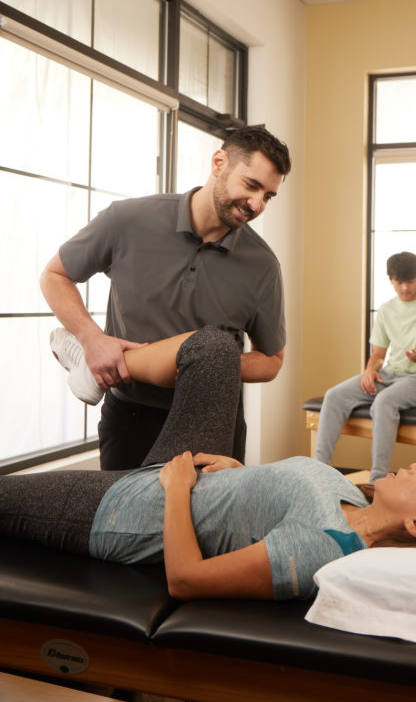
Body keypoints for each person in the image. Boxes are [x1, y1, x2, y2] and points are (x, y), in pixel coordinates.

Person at [0, 327, 416, 604]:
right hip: (196, 469)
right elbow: (270, 495)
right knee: (214, 348)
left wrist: (179, 491)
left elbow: (187, 580)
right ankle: (93, 364)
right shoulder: (356, 499)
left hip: (132, 511)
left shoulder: (325, 546)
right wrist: (233, 469)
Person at [40, 125, 291, 471]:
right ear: (219, 162)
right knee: (125, 523)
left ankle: (101, 363)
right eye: (251, 185)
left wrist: (202, 366)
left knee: (207, 525)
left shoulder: (262, 265)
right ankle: (92, 358)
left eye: (268, 196)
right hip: (132, 415)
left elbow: (272, 360)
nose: (257, 204)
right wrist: (92, 339)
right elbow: (55, 276)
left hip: (215, 418)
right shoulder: (127, 220)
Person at [314, 252, 416, 482]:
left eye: (409, 282)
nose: (404, 288)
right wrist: (370, 370)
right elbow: (379, 354)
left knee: (384, 403)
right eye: (398, 282)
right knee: (333, 396)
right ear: (390, 279)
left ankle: (377, 480)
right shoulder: (386, 310)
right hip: (389, 374)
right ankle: (317, 472)